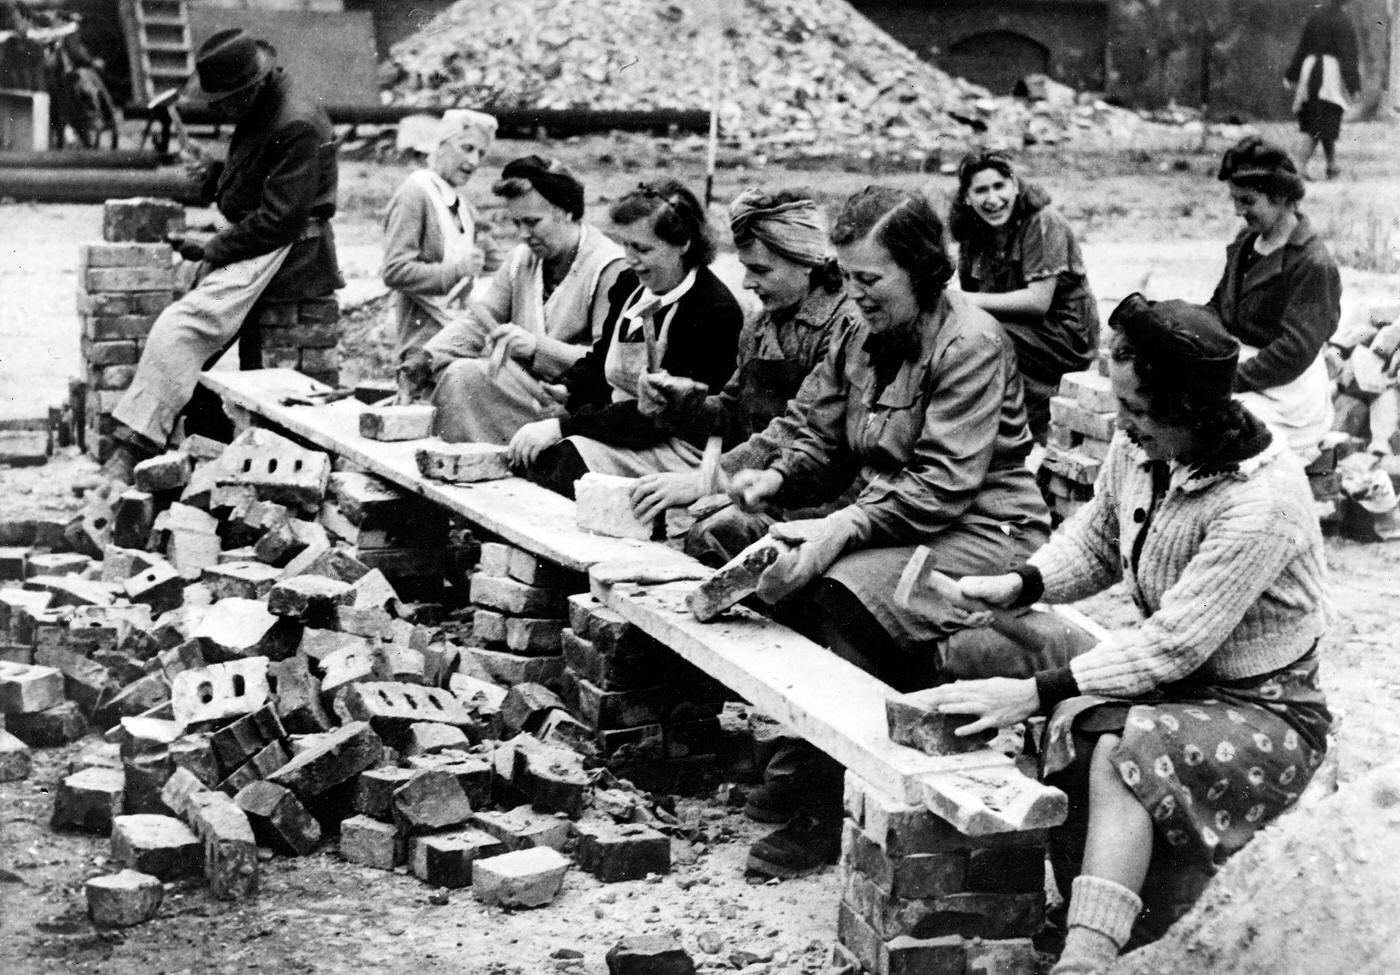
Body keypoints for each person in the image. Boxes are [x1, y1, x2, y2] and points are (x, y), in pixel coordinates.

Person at [922, 294, 1332, 974]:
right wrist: (1023, 583)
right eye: (1121, 406)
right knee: (1068, 723)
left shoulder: (1261, 500)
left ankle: (1088, 955)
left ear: (1192, 409)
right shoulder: (1143, 445)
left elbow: (1174, 642)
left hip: (1266, 705)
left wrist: (1031, 688)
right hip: (1187, 684)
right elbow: (1098, 538)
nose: (1124, 426)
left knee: (1120, 745)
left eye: (1139, 411)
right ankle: (1105, 906)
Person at [699, 186, 1051, 878]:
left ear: (920, 270)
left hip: (984, 529)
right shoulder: (863, 333)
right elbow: (812, 426)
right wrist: (769, 475)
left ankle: (828, 794)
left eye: (869, 279)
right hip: (897, 517)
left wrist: (841, 525)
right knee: (764, 558)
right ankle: (811, 753)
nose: (853, 294)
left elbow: (944, 482)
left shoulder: (972, 341)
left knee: (839, 592)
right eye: (849, 276)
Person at [103, 29, 342, 481]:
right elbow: (258, 179)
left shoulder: (295, 123)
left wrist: (212, 246)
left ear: (250, 87)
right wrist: (216, 175)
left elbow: (279, 220)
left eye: (223, 101)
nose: (217, 110)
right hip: (262, 237)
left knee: (183, 326)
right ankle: (178, 443)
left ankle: (133, 449)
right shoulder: (265, 106)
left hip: (283, 249)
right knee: (187, 323)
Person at [627, 187, 858, 527]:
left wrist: (709, 478)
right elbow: (735, 414)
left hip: (815, 495)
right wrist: (682, 402)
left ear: (806, 263)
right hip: (751, 483)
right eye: (746, 268)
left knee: (712, 528)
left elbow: (803, 425)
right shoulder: (761, 323)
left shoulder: (844, 325)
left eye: (761, 271)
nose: (748, 283)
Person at [510, 179, 742, 497]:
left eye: (643, 249)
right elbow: (601, 358)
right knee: (536, 456)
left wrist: (563, 427)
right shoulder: (630, 285)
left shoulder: (712, 309)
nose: (631, 258)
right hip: (623, 424)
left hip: (676, 444)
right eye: (626, 245)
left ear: (684, 243)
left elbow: (658, 416)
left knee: (563, 463)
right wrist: (569, 387)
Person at [403, 156, 633, 444]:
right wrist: (427, 358)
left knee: (466, 380)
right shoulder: (522, 260)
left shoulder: (609, 268)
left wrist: (537, 348)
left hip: (580, 407)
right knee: (461, 375)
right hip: (530, 395)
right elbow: (479, 322)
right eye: (517, 223)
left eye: (532, 222)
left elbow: (611, 366)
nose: (523, 234)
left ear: (568, 212)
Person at [949, 149, 1099, 442]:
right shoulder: (975, 237)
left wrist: (957, 300)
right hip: (1022, 331)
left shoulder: (1042, 222)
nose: (993, 199)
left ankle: (1014, 429)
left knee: (983, 339)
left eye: (999, 186)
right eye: (981, 190)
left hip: (1065, 333)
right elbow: (973, 301)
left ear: (1015, 186)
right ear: (967, 197)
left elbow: (1037, 301)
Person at [1209, 136, 1341, 465]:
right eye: (1234, 200)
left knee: (1213, 429)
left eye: (1248, 201)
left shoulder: (1312, 263)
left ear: (1281, 197)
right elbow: (1218, 308)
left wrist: (1228, 380)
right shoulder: (1247, 243)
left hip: (1289, 394)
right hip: (1245, 370)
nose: (1238, 211)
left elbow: (1292, 352)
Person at [380, 109, 497, 360]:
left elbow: (494, 263)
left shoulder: (463, 205)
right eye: (467, 148)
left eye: (481, 153)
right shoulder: (415, 194)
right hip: (422, 345)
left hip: (457, 340)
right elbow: (395, 270)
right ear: (441, 145)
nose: (474, 161)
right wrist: (455, 271)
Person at [1285, 0, 1361, 181]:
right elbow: (1349, 56)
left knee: (1322, 117)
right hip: (1326, 74)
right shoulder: (1343, 21)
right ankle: (1299, 166)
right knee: (1322, 120)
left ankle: (1332, 165)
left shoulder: (1315, 16)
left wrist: (1292, 74)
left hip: (1309, 68)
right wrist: (1354, 86)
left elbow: (1302, 47)